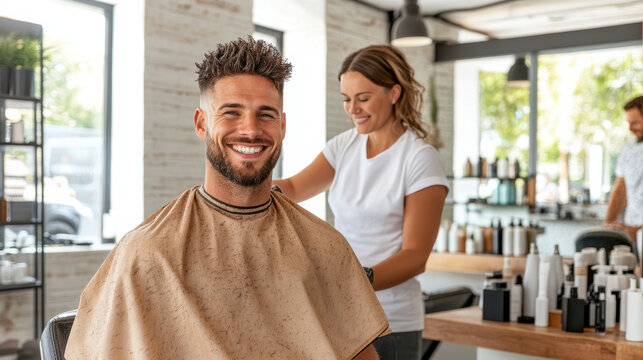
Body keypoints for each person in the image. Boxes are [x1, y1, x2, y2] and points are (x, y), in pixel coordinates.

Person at [65, 37, 389, 360]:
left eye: (265, 115)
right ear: (201, 123)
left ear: (283, 126)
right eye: (231, 113)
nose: (250, 130)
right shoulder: (148, 252)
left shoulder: (325, 246)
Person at [273, 45, 448, 360]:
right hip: (341, 317)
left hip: (391, 322)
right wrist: (237, 182)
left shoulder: (419, 159)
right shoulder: (344, 146)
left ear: (394, 93)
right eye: (346, 99)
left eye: (363, 98)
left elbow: (415, 257)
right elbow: (293, 188)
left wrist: (354, 281)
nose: (353, 109)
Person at [605, 95, 643, 242]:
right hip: (631, 234)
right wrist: (606, 227)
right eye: (629, 123)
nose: (630, 128)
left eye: (635, 122)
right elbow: (620, 190)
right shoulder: (628, 149)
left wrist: (636, 230)